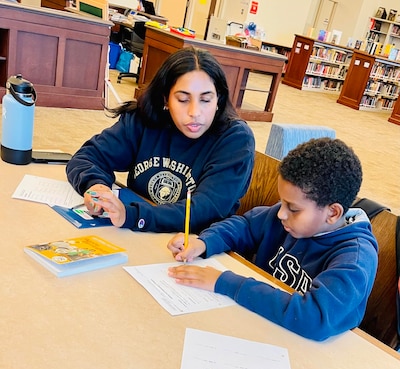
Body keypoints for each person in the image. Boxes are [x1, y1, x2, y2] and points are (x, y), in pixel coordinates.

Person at [167, 138, 379, 341]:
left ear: (332, 213)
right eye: (282, 203)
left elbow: (313, 318)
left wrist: (225, 283)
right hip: (258, 324)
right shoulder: (288, 219)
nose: (280, 214)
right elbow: (245, 226)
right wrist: (204, 242)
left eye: (293, 208)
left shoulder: (356, 258)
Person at [66, 47, 255, 233]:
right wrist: (97, 186)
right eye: (182, 100)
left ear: (218, 100)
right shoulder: (145, 119)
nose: (195, 113)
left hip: (191, 246)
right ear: (165, 99)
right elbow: (87, 157)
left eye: (205, 100)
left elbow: (203, 211)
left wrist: (132, 216)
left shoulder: (235, 139)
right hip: (137, 235)